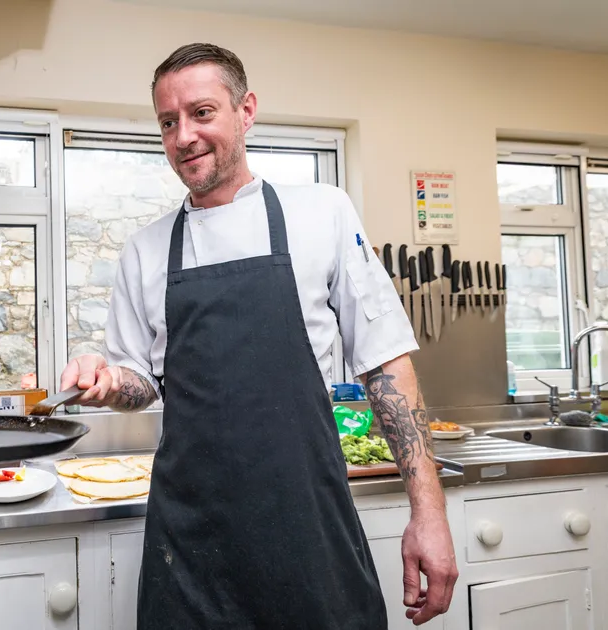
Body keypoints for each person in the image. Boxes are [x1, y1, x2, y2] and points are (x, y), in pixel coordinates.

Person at [60, 43, 458, 628]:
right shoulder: (145, 250)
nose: (183, 136)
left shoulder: (323, 212)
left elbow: (384, 363)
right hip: (190, 540)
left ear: (246, 110)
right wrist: (107, 379)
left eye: (201, 113)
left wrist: (429, 513)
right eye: (168, 122)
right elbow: (142, 380)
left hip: (308, 523)